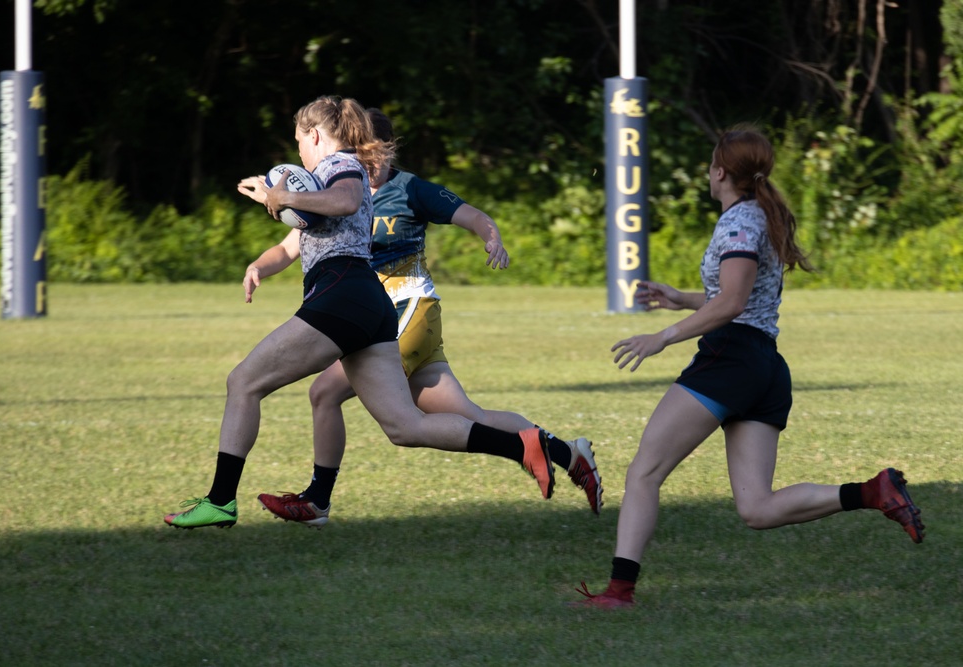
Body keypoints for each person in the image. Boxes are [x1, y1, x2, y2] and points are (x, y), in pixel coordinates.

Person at [164, 95, 557, 529]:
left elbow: (346, 200)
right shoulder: (325, 178)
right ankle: (522, 447)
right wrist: (271, 216)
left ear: (314, 135)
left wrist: (285, 194)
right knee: (406, 427)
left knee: (244, 381)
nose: (298, 151)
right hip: (368, 301)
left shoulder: (340, 166)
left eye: (299, 141)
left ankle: (222, 501)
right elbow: (310, 224)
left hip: (344, 296)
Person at [572, 125, 924, 608]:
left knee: (645, 472)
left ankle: (618, 591)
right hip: (763, 366)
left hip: (730, 360)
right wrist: (682, 300)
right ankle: (871, 492)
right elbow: (741, 298)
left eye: (710, 164)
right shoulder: (760, 216)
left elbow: (733, 302)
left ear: (720, 172)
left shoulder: (738, 223)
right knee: (757, 508)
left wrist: (663, 337)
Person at [252, 109, 602, 527]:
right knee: (472, 417)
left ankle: (317, 501)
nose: (370, 163)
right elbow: (289, 247)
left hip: (409, 312)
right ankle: (568, 452)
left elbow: (471, 215)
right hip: (377, 319)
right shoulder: (337, 192)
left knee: (326, 393)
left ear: (389, 150)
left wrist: (492, 237)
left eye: (377, 154)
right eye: (362, 154)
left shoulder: (409, 190)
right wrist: (258, 265)